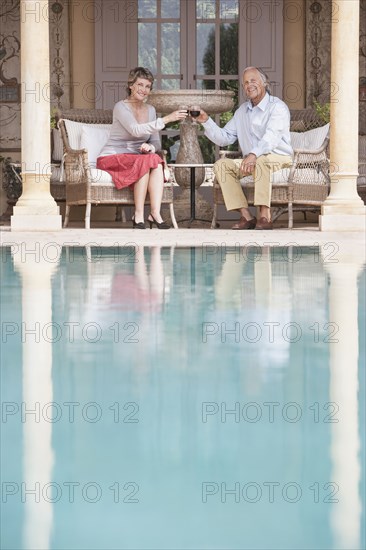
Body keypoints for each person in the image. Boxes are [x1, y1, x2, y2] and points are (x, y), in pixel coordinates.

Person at [196, 67, 293, 230]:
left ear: (264, 83)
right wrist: (206, 121)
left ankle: (264, 215)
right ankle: (246, 216)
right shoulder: (242, 111)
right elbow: (225, 137)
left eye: (253, 81)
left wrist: (254, 154)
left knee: (262, 160)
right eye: (246, 83)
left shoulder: (277, 107)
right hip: (252, 160)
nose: (249, 85)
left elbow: (271, 138)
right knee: (222, 165)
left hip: (279, 158)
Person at [97, 67, 187, 229]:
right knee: (147, 162)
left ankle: (155, 213)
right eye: (140, 84)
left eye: (147, 86)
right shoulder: (121, 107)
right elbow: (135, 130)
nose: (144, 90)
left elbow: (156, 142)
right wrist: (167, 119)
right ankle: (138, 213)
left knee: (154, 159)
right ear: (131, 85)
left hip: (138, 159)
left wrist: (150, 147)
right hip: (112, 157)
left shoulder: (151, 110)